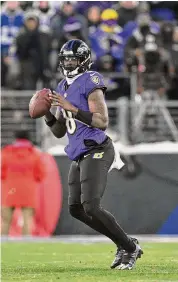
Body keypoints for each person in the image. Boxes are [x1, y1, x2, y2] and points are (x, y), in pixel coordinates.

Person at [42, 39, 143, 270]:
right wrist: (47, 114)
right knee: (75, 209)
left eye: (73, 59)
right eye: (65, 59)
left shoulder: (91, 80)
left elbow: (102, 121)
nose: (68, 63)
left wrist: (72, 108)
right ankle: (125, 243)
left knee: (91, 206)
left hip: (97, 148)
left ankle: (129, 248)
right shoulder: (62, 86)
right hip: (79, 152)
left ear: (84, 61)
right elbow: (59, 131)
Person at [1, 130, 45, 236]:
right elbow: (41, 174)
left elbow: (1, 173)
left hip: (10, 190)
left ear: (15, 139)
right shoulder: (35, 154)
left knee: (6, 221)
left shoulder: (6, 153)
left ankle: (2, 246)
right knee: (27, 220)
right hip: (28, 190)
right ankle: (26, 245)